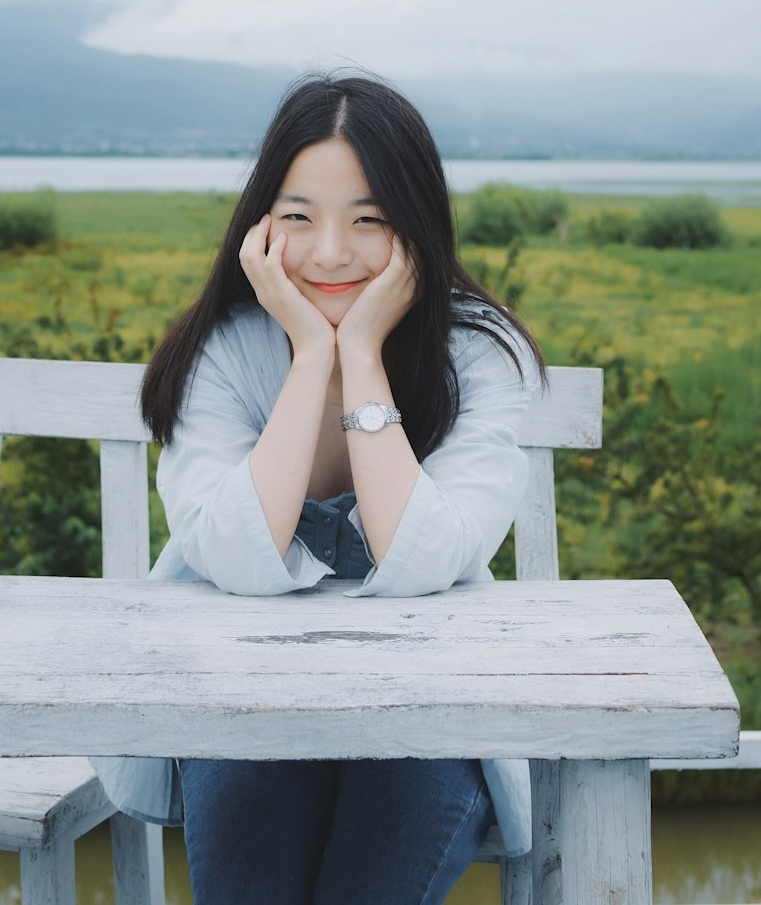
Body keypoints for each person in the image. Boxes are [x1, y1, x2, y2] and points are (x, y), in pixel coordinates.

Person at [92, 73, 545, 905]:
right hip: (241, 700)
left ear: (417, 225)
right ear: (262, 225)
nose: (331, 252)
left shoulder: (479, 354)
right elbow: (232, 557)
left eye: (369, 220)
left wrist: (363, 355)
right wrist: (311, 358)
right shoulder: (225, 352)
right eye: (299, 218)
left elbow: (425, 560)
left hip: (432, 707)